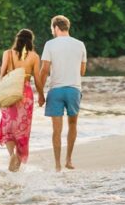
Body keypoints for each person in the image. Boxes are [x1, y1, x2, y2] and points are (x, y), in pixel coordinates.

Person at [37, 15, 87, 171]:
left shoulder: (50, 44)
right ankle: (69, 160)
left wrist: (40, 93)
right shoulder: (80, 45)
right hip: (73, 89)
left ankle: (57, 165)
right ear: (67, 27)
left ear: (55, 28)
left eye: (52, 29)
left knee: (56, 130)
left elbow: (44, 70)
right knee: (73, 124)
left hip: (56, 91)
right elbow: (82, 71)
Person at [0, 28, 42, 172]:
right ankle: (17, 161)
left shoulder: (7, 54)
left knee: (8, 125)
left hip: (10, 91)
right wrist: (41, 95)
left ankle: (11, 155)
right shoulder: (34, 56)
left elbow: (2, 75)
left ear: (17, 39)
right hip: (26, 93)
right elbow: (37, 79)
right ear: (31, 41)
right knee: (22, 128)